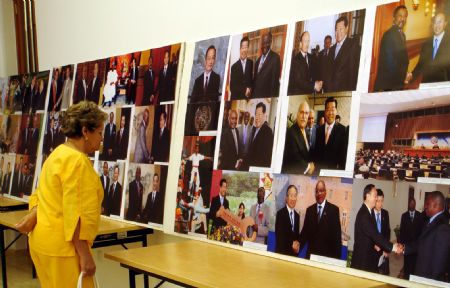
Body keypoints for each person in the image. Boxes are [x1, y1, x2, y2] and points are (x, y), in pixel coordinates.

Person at [15, 101, 107, 287]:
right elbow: (75, 214)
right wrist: (85, 255)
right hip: (64, 251)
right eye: (99, 132)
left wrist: (34, 213)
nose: (101, 138)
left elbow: (41, 194)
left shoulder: (57, 153)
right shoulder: (78, 162)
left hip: (42, 243)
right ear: (85, 132)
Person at [351, 184, 401, 273]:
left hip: (366, 259)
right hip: (362, 262)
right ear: (367, 196)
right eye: (375, 196)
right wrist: (393, 247)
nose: (376, 199)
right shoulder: (364, 215)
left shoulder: (367, 212)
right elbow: (375, 235)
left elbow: (369, 236)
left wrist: (376, 245)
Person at [404, 191, 450, 282]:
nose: (425, 206)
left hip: (428, 279)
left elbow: (439, 264)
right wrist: (404, 248)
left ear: (436, 205)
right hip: (421, 274)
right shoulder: (430, 221)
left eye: (427, 204)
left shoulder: (442, 228)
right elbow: (420, 243)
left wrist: (428, 284)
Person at [299, 180, 341, 259]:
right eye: (317, 191)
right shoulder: (309, 210)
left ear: (325, 192)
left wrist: (335, 262)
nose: (319, 194)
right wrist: (297, 246)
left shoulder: (334, 210)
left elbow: (337, 239)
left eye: (321, 191)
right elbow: (304, 233)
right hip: (310, 257)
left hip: (326, 259)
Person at [408, 12, 450, 84]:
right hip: (427, 82)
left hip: (443, 84)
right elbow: (421, 64)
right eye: (435, 22)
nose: (436, 25)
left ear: (445, 23)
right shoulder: (426, 43)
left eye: (440, 22)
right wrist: (411, 75)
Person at [374, 5, 409, 91]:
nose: (402, 19)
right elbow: (389, 64)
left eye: (405, 16)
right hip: (391, 83)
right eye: (400, 16)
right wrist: (403, 77)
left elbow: (401, 58)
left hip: (398, 81)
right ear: (394, 17)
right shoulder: (389, 35)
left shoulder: (402, 35)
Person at [313, 97, 348, 170]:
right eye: (328, 109)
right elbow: (315, 152)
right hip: (318, 171)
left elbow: (343, 158)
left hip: (333, 172)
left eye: (332, 109)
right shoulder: (318, 130)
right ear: (325, 111)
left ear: (336, 111)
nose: (330, 113)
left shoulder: (343, 130)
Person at [328, 16, 360, 92]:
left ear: (346, 28)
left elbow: (353, 73)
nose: (338, 32)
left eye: (341, 29)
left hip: (344, 92)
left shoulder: (352, 45)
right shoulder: (332, 49)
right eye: (336, 30)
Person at [282, 101, 315, 174]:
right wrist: (309, 167)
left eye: (306, 113)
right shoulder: (291, 133)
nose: (304, 116)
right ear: (297, 114)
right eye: (301, 112)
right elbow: (295, 160)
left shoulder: (306, 132)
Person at [399, 197, 425, 280]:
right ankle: (406, 276)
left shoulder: (420, 215)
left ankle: (413, 277)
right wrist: (401, 243)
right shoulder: (404, 215)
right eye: (410, 203)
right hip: (406, 244)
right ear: (408, 204)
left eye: (413, 204)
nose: (412, 205)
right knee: (407, 263)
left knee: (414, 263)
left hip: (416, 245)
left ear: (415, 204)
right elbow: (402, 230)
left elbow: (421, 230)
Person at [253, 33, 281, 98]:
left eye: (267, 43)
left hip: (267, 99)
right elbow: (255, 83)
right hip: (256, 98)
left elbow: (274, 84)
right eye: (263, 43)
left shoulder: (275, 58)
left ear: (271, 43)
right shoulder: (257, 62)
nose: (264, 45)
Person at [246, 102, 273, 168]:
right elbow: (250, 151)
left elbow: (266, 160)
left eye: (259, 114)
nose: (257, 117)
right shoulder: (254, 129)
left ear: (264, 115)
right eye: (256, 114)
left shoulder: (268, 132)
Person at [275, 185, 300, 256]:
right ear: (286, 198)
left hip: (293, 256)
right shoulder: (280, 214)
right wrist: (292, 244)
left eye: (295, 196)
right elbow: (280, 237)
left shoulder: (297, 216)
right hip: (281, 254)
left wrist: (297, 245)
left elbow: (296, 237)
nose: (293, 198)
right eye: (291, 195)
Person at [372, 189, 391, 275]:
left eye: (382, 201)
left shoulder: (385, 213)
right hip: (373, 250)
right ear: (374, 200)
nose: (380, 204)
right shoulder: (369, 214)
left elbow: (387, 232)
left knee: (384, 274)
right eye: (378, 201)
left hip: (384, 251)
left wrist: (387, 249)